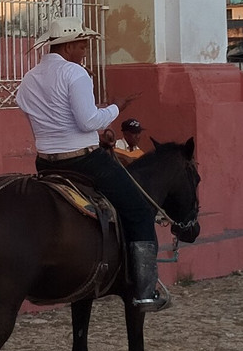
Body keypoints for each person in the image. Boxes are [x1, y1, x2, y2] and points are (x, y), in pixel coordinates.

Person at [16, 16, 168, 312]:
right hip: (84, 161)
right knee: (138, 210)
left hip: (46, 164)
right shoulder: (75, 73)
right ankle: (146, 289)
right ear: (69, 45)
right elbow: (88, 121)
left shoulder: (30, 78)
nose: (85, 48)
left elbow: (29, 109)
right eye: (82, 43)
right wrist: (115, 108)